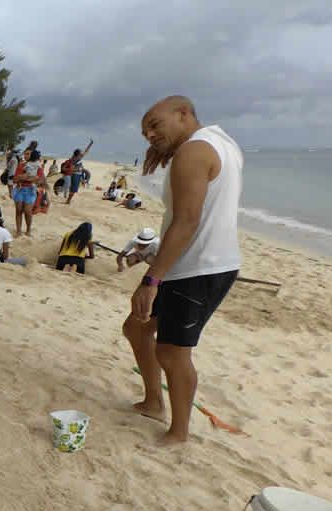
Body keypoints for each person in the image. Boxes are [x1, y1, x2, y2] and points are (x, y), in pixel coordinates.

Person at [124, 95, 242, 445]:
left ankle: (178, 432)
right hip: (192, 262)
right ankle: (152, 402)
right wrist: (168, 152)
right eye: (145, 132)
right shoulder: (220, 143)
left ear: (183, 113)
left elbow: (187, 220)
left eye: (155, 125)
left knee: (172, 352)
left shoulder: (193, 151)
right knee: (136, 327)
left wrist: (151, 279)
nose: (149, 135)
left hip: (200, 266)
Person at [12, 149, 43, 237]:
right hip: (20, 189)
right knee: (18, 210)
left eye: (28, 154)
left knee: (27, 211)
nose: (26, 156)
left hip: (30, 190)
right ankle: (18, 231)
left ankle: (28, 230)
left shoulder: (38, 166)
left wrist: (23, 177)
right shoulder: (21, 165)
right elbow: (14, 179)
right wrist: (25, 178)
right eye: (25, 154)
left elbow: (39, 179)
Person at [63, 138, 94, 204]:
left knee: (73, 189)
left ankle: (68, 199)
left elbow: (86, 151)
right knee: (73, 189)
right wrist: (78, 169)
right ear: (78, 154)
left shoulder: (77, 157)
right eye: (80, 152)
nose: (82, 153)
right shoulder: (75, 159)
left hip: (77, 174)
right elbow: (71, 168)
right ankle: (68, 200)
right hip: (75, 174)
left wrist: (90, 144)